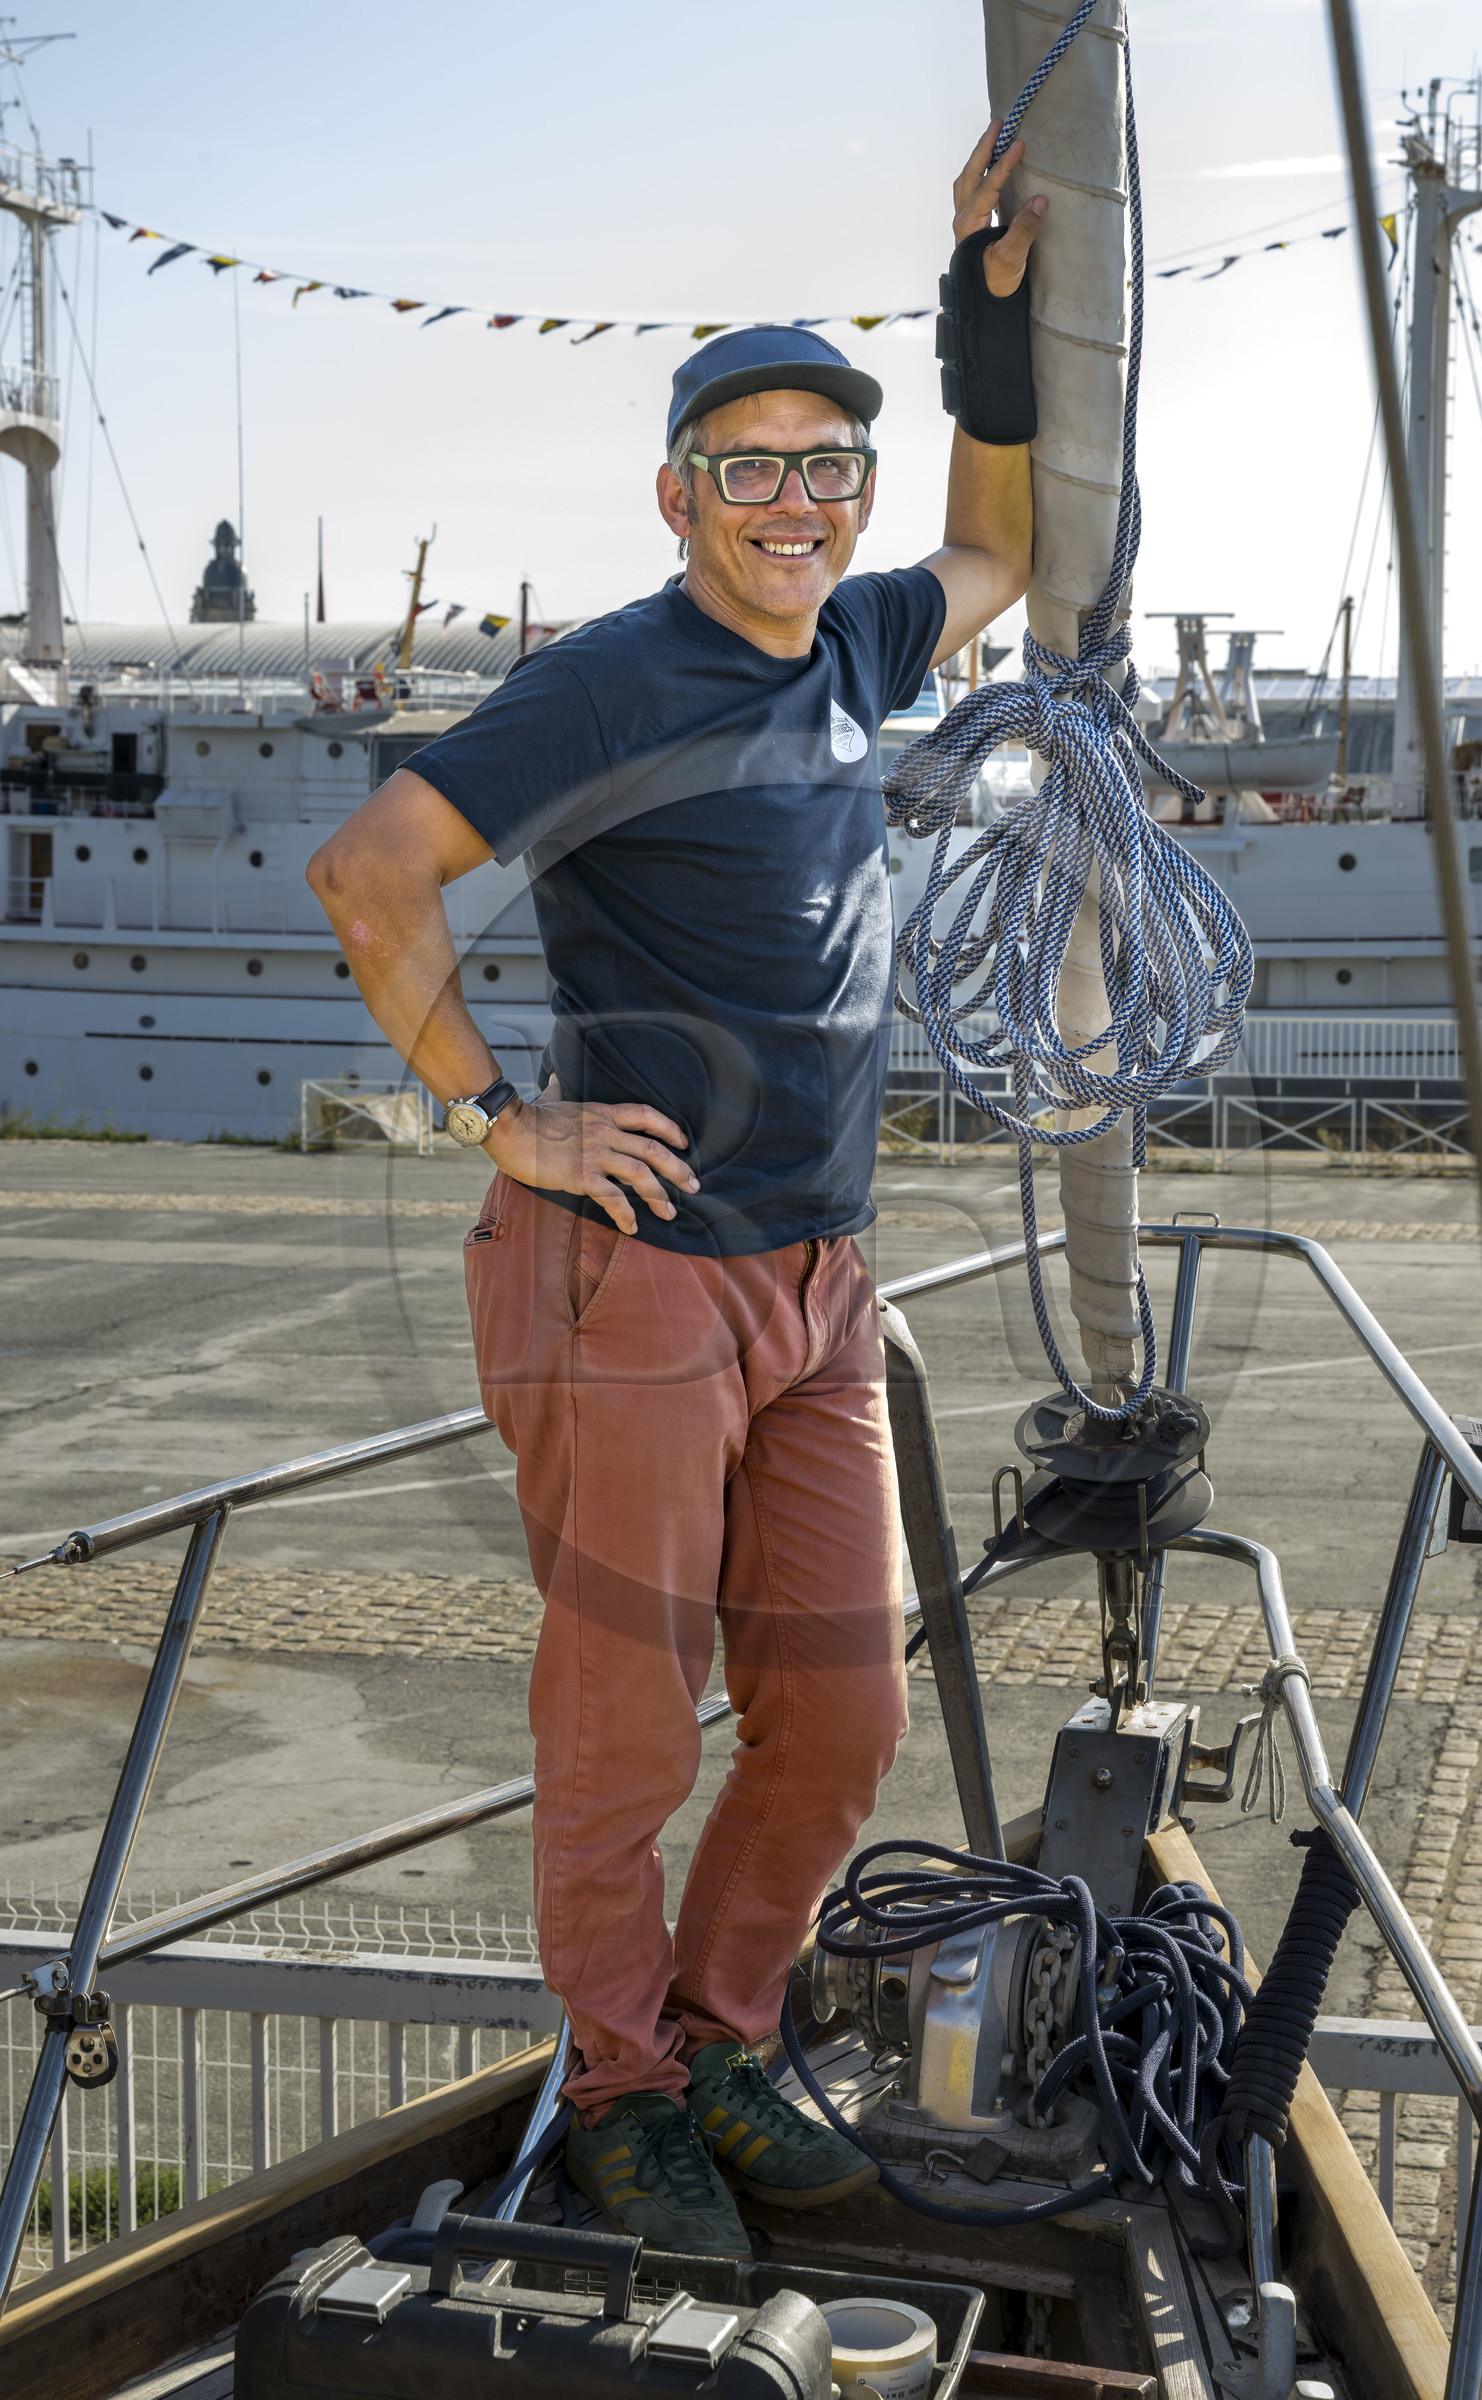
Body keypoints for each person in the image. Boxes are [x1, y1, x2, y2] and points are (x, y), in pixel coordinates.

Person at [308, 123, 1044, 2255]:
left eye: (829, 461)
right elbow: (373, 877)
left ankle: (725, 2033)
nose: (797, 496)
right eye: (751, 464)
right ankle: (624, 2085)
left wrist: (979, 318)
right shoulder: (610, 678)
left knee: (838, 1703)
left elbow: (998, 552)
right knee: (622, 1725)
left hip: (816, 1279)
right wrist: (493, 1118)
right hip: (620, 1280)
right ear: (676, 495)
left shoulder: (851, 641)